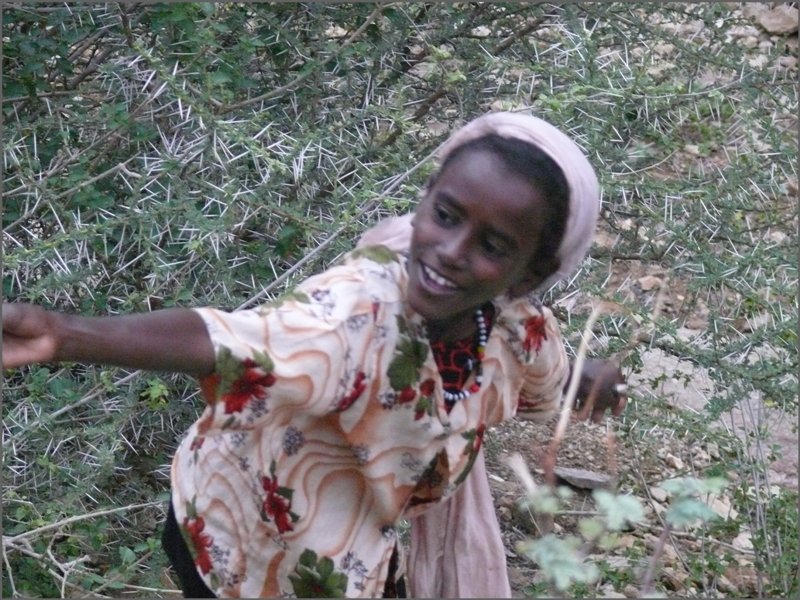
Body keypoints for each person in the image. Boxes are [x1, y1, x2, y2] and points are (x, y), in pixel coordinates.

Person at [2, 112, 626, 598]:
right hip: (233, 538)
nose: (450, 251)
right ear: (427, 197)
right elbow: (233, 340)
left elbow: (549, 380)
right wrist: (68, 333)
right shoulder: (358, 314)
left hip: (349, 545)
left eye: (492, 244)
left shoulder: (518, 331)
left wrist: (586, 382)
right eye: (445, 215)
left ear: (529, 276)